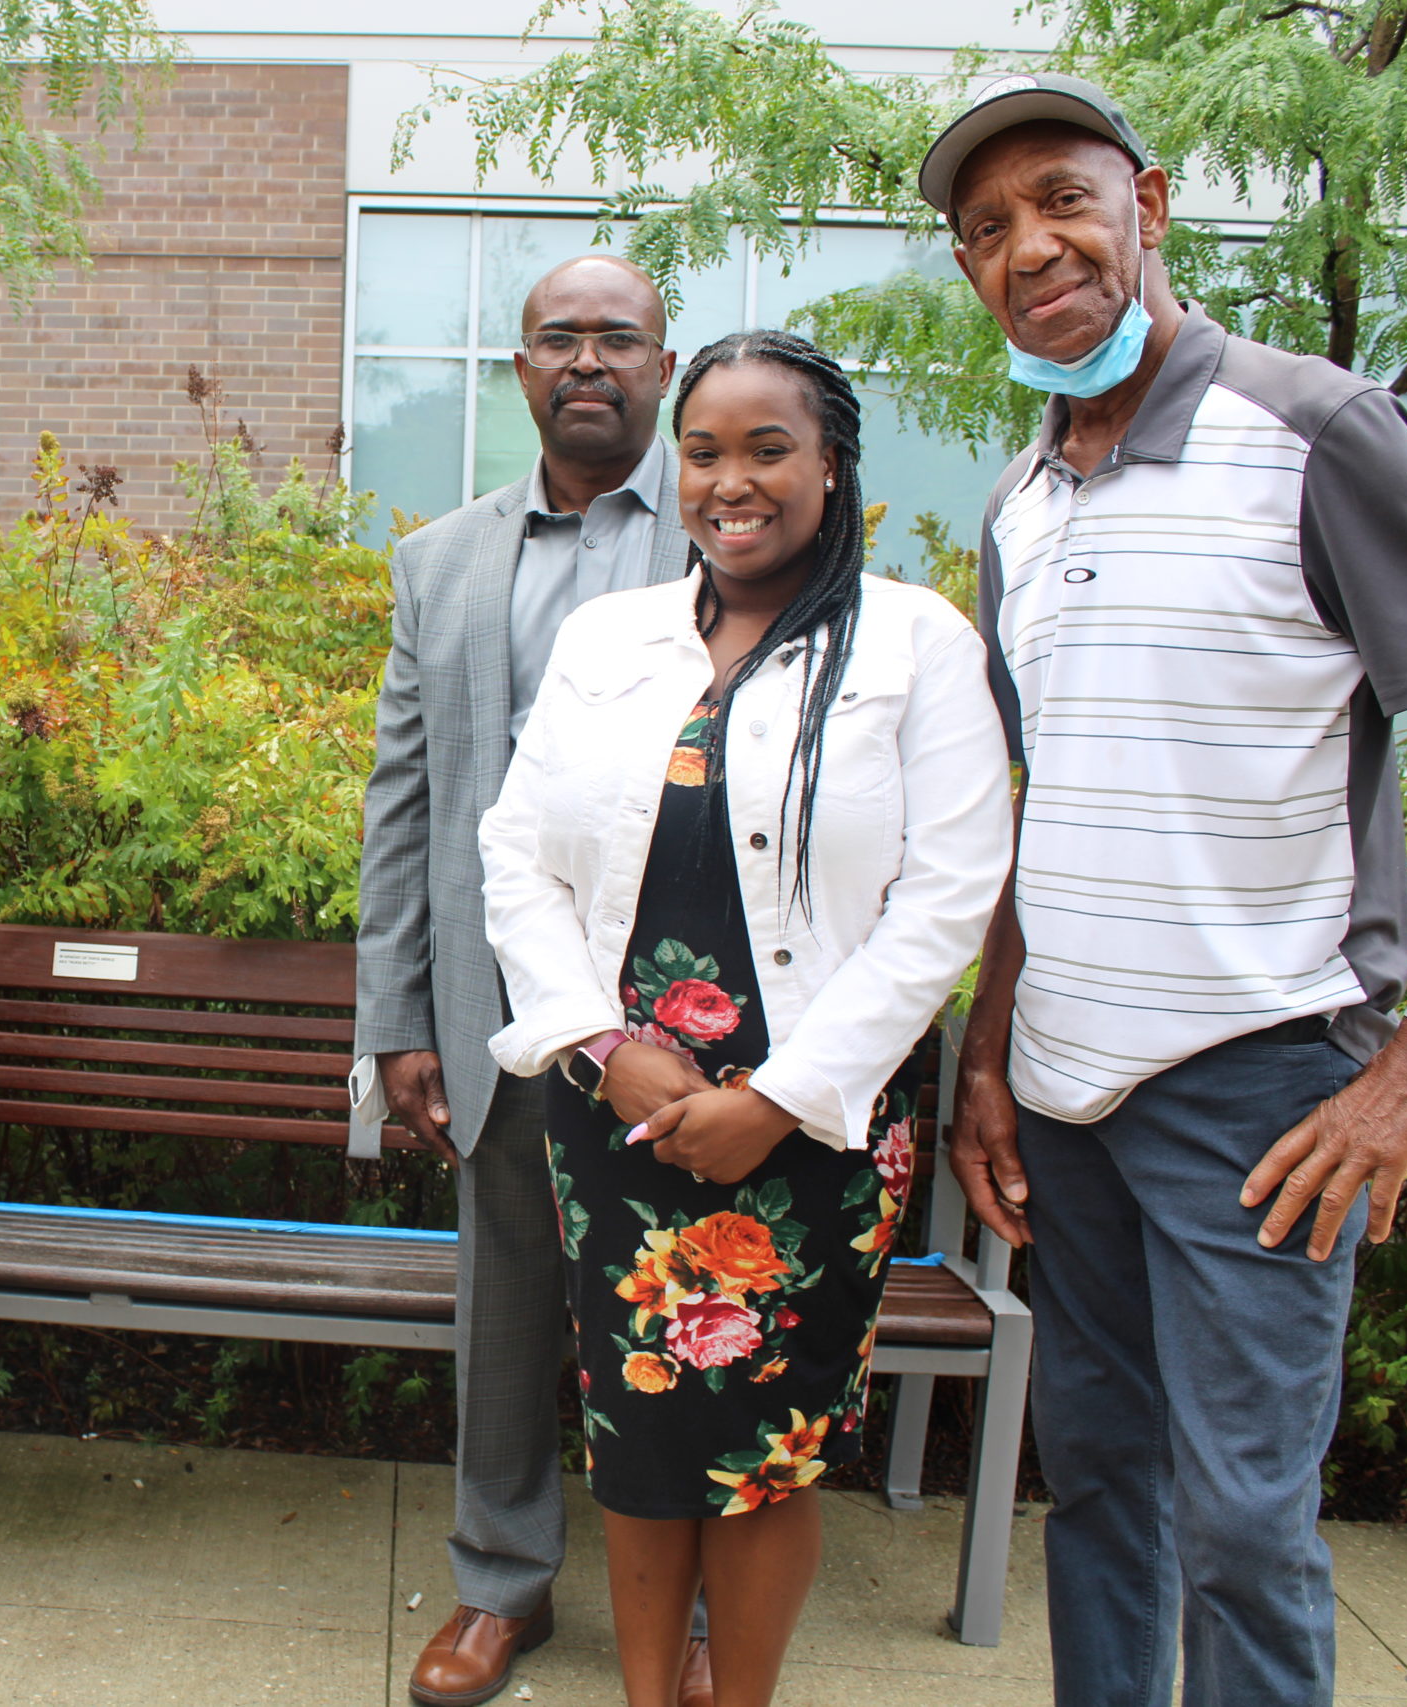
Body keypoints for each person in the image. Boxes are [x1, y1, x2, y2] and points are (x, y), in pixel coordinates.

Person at [924, 75, 1407, 1707]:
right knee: (1102, 1486)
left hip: (1261, 1087)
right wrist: (987, 1060)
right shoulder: (1019, 505)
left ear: (1153, 205)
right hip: (1066, 1096)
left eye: (1061, 199)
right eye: (986, 232)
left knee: (1249, 1527)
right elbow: (1041, 803)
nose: (1029, 247)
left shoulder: (1315, 430)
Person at [476, 329, 1010, 1707]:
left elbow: (951, 895)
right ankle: (654, 1696)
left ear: (832, 468)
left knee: (769, 1450)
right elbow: (516, 856)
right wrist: (604, 1045)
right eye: (705, 450)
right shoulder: (612, 638)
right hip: (622, 1111)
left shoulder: (915, 643)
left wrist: (778, 1095)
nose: (731, 480)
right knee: (640, 1426)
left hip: (819, 1122)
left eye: (768, 448)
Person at [357, 254, 715, 1707]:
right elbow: (406, 800)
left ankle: (693, 1605)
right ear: (517, 371)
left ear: (661, 364)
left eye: (616, 339)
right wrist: (395, 1021)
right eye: (557, 339)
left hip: (679, 1022)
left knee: (689, 1313)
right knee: (503, 1321)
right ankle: (502, 1587)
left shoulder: (734, 535)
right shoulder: (440, 561)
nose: (587, 361)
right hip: (494, 1023)